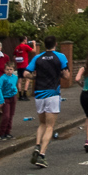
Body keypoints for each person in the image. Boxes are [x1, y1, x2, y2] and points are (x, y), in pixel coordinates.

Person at [24, 35, 70, 168]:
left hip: (39, 94)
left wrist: (34, 77)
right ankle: (42, 155)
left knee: (42, 123)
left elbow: (26, 73)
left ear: (45, 44)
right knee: (50, 126)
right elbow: (66, 75)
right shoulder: (60, 56)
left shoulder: (38, 58)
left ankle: (37, 145)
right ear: (55, 44)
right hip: (52, 94)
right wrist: (59, 74)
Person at [0, 63, 19, 140]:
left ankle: (7, 132)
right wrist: (1, 100)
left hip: (13, 97)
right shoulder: (2, 78)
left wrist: (16, 91)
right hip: (5, 98)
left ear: (13, 70)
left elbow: (14, 85)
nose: (9, 71)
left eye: (11, 69)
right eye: (7, 69)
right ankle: (1, 133)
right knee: (6, 116)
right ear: (5, 70)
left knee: (11, 115)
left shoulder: (15, 77)